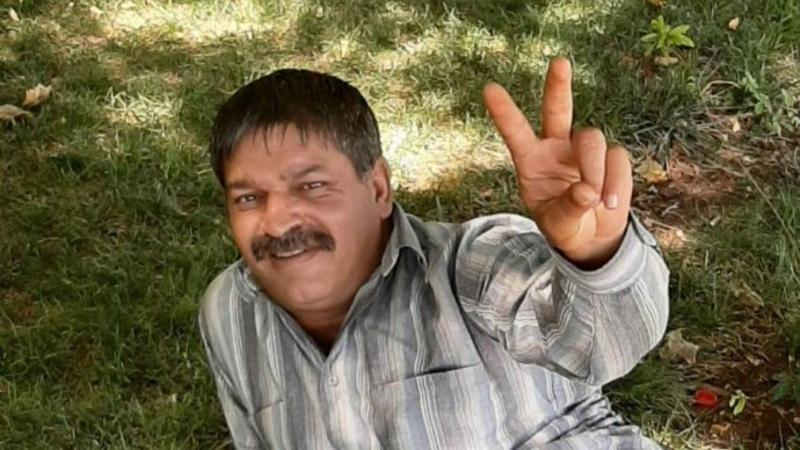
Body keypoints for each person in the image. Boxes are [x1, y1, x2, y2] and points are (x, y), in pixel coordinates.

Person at [198, 57, 669, 449]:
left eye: (312, 186)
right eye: (248, 198)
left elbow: (603, 348)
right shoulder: (229, 313)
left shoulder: (471, 267)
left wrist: (594, 258)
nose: (277, 221)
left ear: (377, 188)